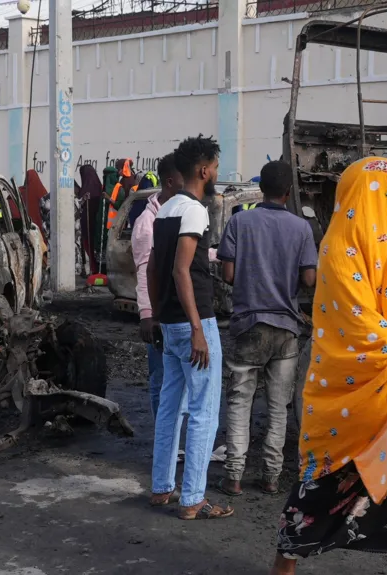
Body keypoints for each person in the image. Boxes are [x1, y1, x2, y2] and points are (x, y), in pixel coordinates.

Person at [271, 157, 387, 575]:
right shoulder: (341, 251)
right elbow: (359, 323)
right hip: (353, 396)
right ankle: (282, 568)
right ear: (371, 195)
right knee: (320, 492)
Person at [215, 160, 317, 498]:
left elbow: (228, 275)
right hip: (286, 328)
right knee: (278, 408)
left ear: (261, 189)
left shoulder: (240, 221)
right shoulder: (301, 229)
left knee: (240, 402)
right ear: (288, 192)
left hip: (248, 325)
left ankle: (234, 477)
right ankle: (271, 477)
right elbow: (308, 279)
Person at [146, 135, 233, 520]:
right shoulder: (195, 210)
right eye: (214, 166)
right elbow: (182, 269)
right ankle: (193, 498)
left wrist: (158, 313)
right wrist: (198, 328)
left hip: (170, 322)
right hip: (195, 322)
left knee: (170, 407)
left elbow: (153, 268)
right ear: (203, 170)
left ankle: (162, 487)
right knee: (203, 411)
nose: (216, 173)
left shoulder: (165, 209)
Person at [133, 153, 180, 418]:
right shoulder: (146, 225)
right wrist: (147, 316)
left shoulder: (177, 212)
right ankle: (166, 443)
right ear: (171, 182)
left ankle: (176, 443)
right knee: (161, 381)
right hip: (159, 316)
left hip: (178, 313)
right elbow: (143, 272)